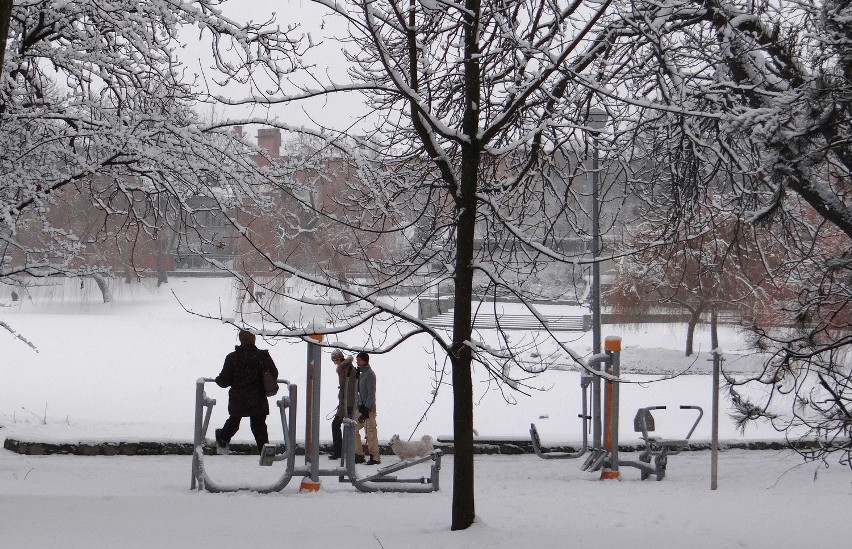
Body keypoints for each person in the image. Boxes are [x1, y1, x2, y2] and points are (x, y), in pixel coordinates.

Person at [214, 329, 278, 451]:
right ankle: (264, 451)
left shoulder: (233, 357)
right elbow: (274, 374)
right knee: (259, 426)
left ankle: (223, 438)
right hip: (258, 398)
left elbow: (224, 381)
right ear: (254, 339)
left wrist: (218, 380)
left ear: (240, 339)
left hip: (239, 398)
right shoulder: (263, 356)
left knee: (234, 421)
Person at [329, 348, 357, 460]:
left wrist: (345, 404)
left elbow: (349, 389)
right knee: (340, 426)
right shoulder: (344, 369)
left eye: (334, 360)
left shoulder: (348, 370)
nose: (334, 363)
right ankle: (340, 451)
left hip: (347, 403)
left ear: (338, 359)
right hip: (345, 402)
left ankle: (339, 451)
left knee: (337, 425)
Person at [353, 351, 381, 465]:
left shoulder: (370, 374)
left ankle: (375, 457)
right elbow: (358, 392)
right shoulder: (360, 373)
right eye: (357, 359)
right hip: (360, 408)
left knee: (370, 433)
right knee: (353, 429)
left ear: (365, 360)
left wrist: (367, 408)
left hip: (368, 410)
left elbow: (371, 393)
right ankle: (359, 454)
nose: (357, 361)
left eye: (359, 359)